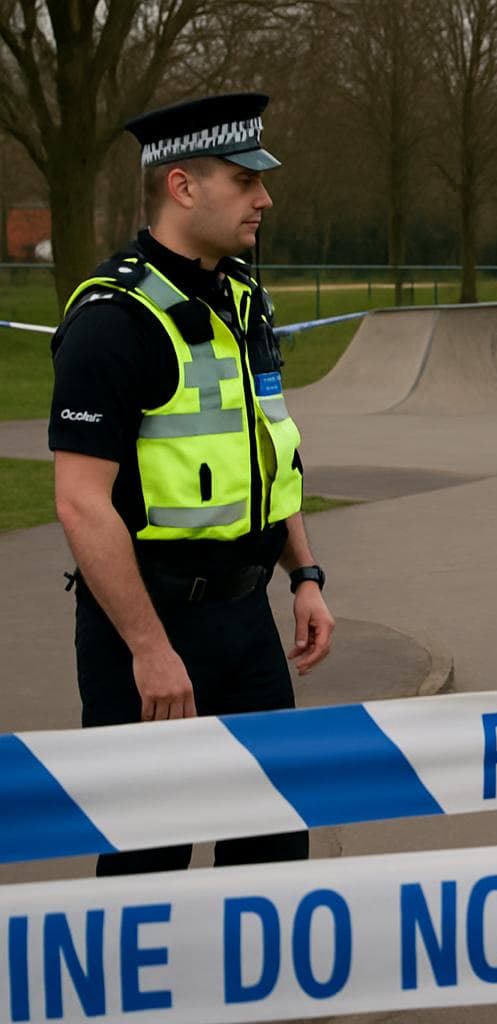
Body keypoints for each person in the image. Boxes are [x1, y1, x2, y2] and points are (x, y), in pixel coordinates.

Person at [48, 93, 334, 876]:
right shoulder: (114, 318)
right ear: (183, 187)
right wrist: (149, 649)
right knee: (148, 863)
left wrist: (303, 575)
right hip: (147, 628)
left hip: (248, 621)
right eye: (246, 182)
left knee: (272, 849)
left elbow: (273, 447)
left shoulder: (245, 298)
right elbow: (79, 502)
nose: (265, 199)